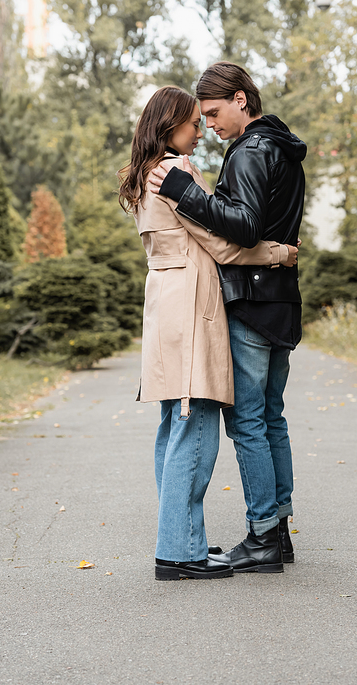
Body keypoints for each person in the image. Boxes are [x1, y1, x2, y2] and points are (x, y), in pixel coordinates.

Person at [118, 85, 298, 580]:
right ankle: (179, 552)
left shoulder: (144, 173)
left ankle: (184, 540)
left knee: (172, 430)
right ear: (169, 124)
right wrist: (280, 252)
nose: (200, 131)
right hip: (190, 309)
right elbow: (223, 245)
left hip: (165, 307)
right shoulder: (174, 172)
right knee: (195, 426)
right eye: (193, 123)